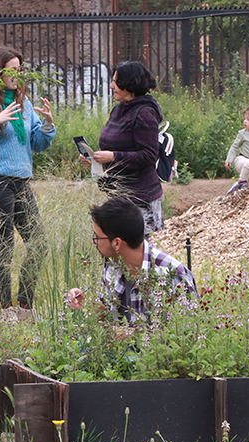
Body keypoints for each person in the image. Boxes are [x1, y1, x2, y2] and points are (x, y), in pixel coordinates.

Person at [0, 46, 55, 320]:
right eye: (10, 70)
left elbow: (37, 144)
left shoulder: (25, 104)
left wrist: (48, 125)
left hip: (21, 181)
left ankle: (25, 305)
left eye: (19, 70)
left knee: (39, 243)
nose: (16, 75)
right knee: (5, 246)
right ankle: (6, 309)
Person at [67, 197, 198, 325]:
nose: (94, 241)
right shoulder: (112, 263)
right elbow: (108, 313)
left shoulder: (173, 275)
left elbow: (188, 334)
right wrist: (88, 303)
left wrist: (130, 336)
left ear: (117, 243)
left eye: (97, 237)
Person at [80, 61, 164, 235]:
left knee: (141, 254)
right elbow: (116, 152)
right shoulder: (118, 110)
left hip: (141, 199)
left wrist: (113, 157)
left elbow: (149, 156)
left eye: (116, 82)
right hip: (119, 196)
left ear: (130, 83)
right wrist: (96, 164)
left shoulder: (144, 113)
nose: (111, 86)